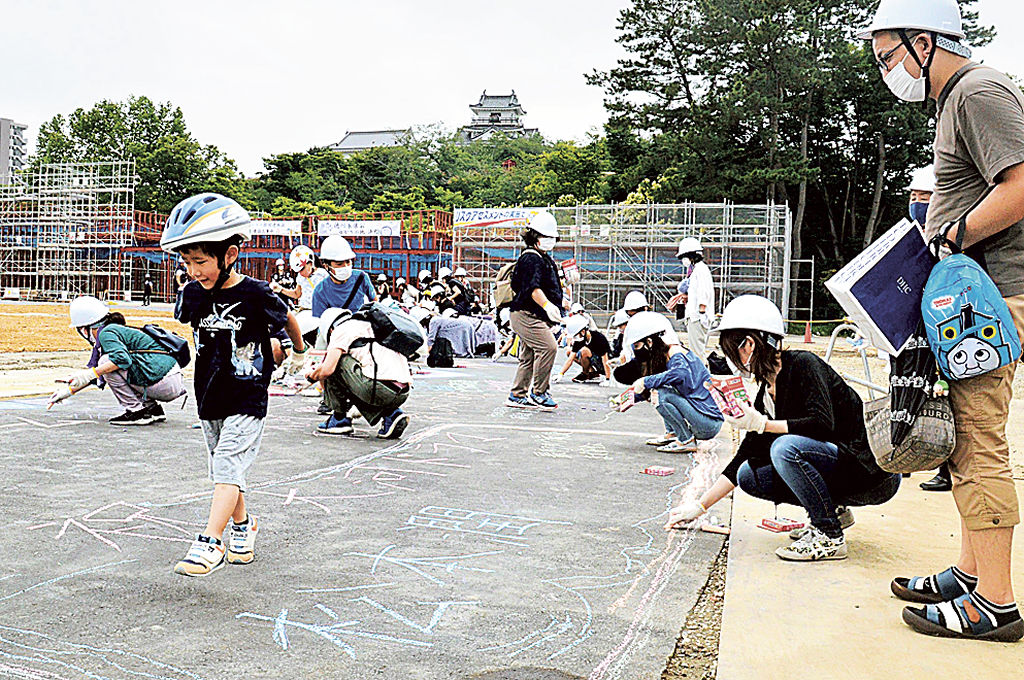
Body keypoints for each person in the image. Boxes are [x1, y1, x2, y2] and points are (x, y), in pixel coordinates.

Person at [862, 0, 1024, 641]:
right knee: (962, 439)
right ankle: (970, 572)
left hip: (993, 300)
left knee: (981, 443)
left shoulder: (980, 92)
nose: (887, 70)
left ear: (924, 41)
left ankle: (998, 603)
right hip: (974, 297)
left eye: (888, 55)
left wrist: (955, 232)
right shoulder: (961, 96)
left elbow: (1020, 184)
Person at [665, 295, 899, 560]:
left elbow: (821, 425)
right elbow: (745, 454)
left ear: (749, 344)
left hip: (873, 474)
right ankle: (834, 512)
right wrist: (700, 505)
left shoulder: (803, 365)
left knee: (785, 448)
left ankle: (829, 535)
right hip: (844, 472)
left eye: (731, 349)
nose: (730, 358)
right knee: (748, 475)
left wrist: (763, 424)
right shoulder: (766, 391)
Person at [163, 192, 307, 577]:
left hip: (247, 393)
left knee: (227, 463)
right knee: (226, 468)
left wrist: (297, 351)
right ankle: (244, 525)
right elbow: (184, 319)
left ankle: (211, 541)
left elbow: (289, 318)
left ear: (229, 255)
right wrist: (187, 286)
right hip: (209, 394)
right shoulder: (192, 293)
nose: (194, 270)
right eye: (187, 261)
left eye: (201, 261)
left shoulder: (256, 294)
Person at [48, 296, 186, 424]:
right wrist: (67, 392)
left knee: (106, 362)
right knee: (107, 365)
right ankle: (153, 409)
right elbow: (98, 373)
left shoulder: (106, 334)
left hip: (162, 382)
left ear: (85, 329)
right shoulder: (114, 331)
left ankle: (136, 411)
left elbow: (121, 360)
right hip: (169, 381)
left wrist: (89, 374)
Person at [903, 166, 951, 493]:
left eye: (925, 197)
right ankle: (905, 455)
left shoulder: (947, 237)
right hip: (909, 332)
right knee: (905, 392)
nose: (918, 202)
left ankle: (946, 469)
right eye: (913, 196)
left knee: (943, 397)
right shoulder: (907, 237)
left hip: (939, 330)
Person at [624, 311, 723, 453]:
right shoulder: (665, 356)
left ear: (649, 342)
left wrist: (645, 381)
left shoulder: (675, 353)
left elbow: (680, 373)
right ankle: (673, 434)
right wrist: (627, 400)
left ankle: (686, 440)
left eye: (638, 346)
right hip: (704, 418)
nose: (636, 351)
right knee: (660, 389)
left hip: (708, 423)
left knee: (660, 393)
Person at [307, 308, 411, 439]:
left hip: (378, 389)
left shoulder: (341, 330)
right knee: (362, 377)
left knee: (337, 361)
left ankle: (339, 419)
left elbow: (327, 369)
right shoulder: (369, 325)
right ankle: (392, 415)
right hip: (402, 391)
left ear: (330, 329)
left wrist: (312, 376)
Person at [505, 211, 564, 410]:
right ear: (534, 237)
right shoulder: (531, 259)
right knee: (548, 348)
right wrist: (547, 305)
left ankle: (517, 394)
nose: (550, 241)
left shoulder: (541, 258)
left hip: (528, 315)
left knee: (528, 356)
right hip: (526, 314)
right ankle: (539, 392)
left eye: (551, 237)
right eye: (545, 237)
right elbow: (533, 288)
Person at [311, 235, 377, 318]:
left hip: (361, 325)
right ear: (326, 266)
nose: (345, 266)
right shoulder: (320, 292)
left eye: (348, 262)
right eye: (339, 264)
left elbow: (376, 304)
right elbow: (319, 321)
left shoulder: (361, 277)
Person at [676, 237, 714, 361]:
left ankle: (701, 378)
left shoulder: (700, 270)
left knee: (697, 353)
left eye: (684, 256)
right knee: (696, 351)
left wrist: (702, 311)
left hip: (697, 317)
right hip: (695, 316)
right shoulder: (696, 270)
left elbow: (704, 291)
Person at [552, 315, 612, 386]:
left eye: (576, 335)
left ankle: (588, 373)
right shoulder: (579, 340)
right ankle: (590, 373)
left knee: (584, 351)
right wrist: (560, 374)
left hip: (605, 366)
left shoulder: (599, 338)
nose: (576, 337)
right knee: (569, 352)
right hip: (594, 363)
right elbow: (570, 359)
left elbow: (606, 360)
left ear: (583, 331)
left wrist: (608, 379)